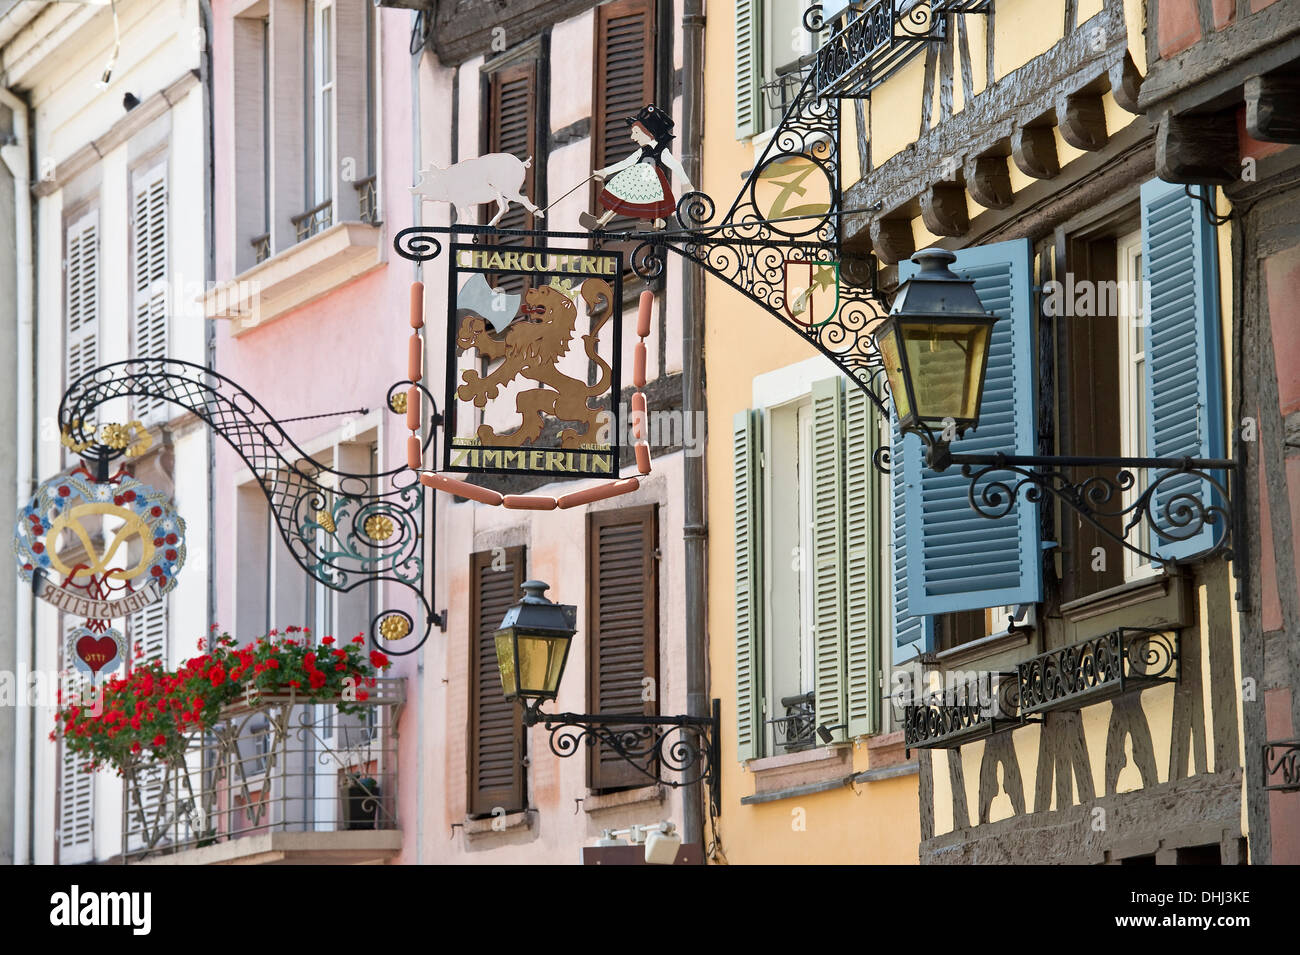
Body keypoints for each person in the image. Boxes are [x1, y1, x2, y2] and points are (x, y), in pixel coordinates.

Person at [579, 104, 694, 232]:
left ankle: (655, 225)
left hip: (651, 179)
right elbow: (626, 162)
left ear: (649, 133)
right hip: (639, 178)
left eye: (636, 133)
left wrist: (686, 184)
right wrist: (605, 171)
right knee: (623, 199)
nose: (633, 137)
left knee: (631, 200)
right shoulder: (642, 151)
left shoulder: (661, 150)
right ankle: (602, 222)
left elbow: (676, 165)